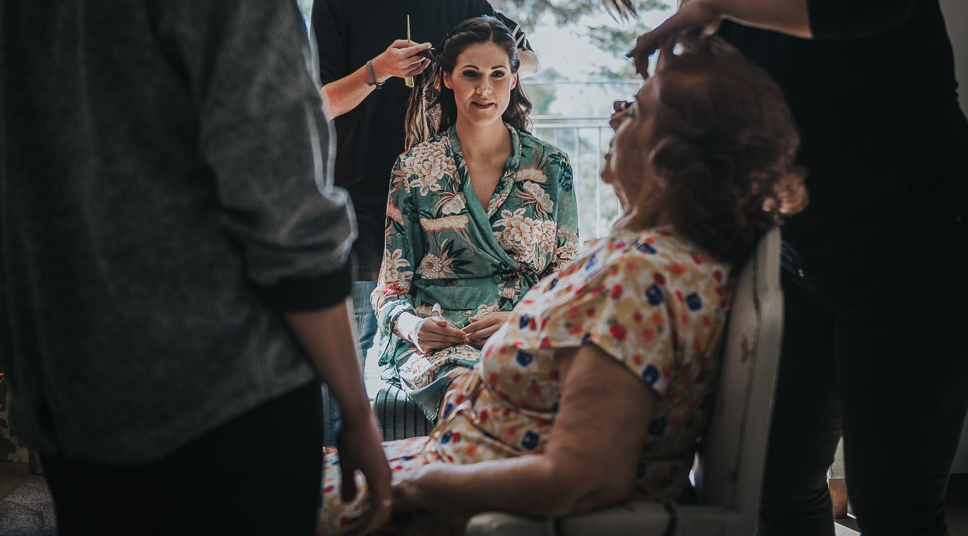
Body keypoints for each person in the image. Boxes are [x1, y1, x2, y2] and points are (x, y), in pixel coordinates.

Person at [0, 0, 389, 534]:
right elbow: (290, 218)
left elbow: (4, 163)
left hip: (76, 400)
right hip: (225, 408)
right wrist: (356, 410)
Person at [586, 0, 968, 535]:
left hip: (926, 264)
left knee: (892, 508)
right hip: (808, 271)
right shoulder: (718, 18)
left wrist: (717, 3)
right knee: (767, 486)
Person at [316, 36, 807, 535]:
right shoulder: (631, 256)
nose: (615, 115)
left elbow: (581, 478)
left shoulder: (642, 281)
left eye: (635, 111)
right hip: (455, 455)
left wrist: (414, 491)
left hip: (451, 491)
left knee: (269, 499)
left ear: (672, 153)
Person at [310, 0, 538, 444]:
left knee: (433, 347)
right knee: (350, 353)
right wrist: (376, 71)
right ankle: (338, 477)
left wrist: (478, 67)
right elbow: (317, 105)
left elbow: (525, 60)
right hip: (360, 200)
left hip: (443, 203)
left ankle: (429, 465)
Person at [372, 16, 579, 420]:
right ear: (447, 79)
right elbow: (389, 289)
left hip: (528, 330)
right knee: (469, 390)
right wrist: (413, 327)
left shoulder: (551, 164)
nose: (484, 88)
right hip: (439, 344)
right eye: (470, 74)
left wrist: (524, 316)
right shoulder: (414, 168)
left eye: (498, 74)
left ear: (514, 78)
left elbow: (566, 276)